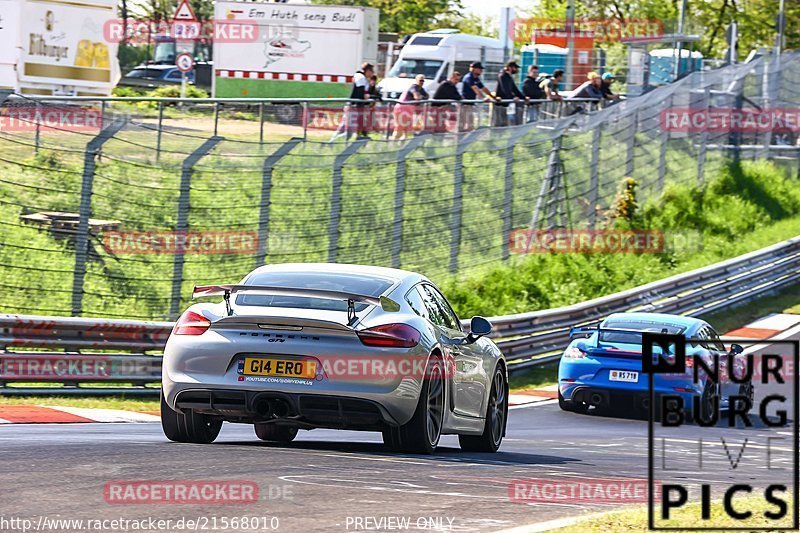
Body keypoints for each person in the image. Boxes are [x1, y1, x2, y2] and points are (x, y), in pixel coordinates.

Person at [330, 62, 373, 141]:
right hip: (353, 107)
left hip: (355, 107)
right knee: (348, 130)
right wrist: (366, 97)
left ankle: (332, 141)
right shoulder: (361, 78)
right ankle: (333, 142)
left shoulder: (364, 79)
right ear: (367, 71)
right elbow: (360, 94)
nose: (372, 73)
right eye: (371, 71)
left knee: (344, 128)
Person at [392, 74, 429, 140]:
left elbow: (427, 96)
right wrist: (421, 97)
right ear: (416, 80)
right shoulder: (414, 87)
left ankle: (401, 147)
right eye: (420, 80)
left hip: (408, 110)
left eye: (423, 81)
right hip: (402, 109)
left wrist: (422, 97)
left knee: (406, 131)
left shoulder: (421, 89)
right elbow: (417, 97)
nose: (422, 82)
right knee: (399, 130)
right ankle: (391, 145)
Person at [461, 62, 495, 130]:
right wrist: (484, 98)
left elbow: (483, 88)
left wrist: (492, 97)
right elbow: (476, 89)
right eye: (479, 69)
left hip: (470, 104)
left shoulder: (476, 78)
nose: (481, 71)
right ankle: (461, 140)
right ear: (474, 69)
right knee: (464, 125)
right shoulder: (469, 78)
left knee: (470, 125)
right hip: (465, 105)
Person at [493, 60, 527, 127]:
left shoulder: (509, 77)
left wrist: (524, 97)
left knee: (506, 123)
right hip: (500, 104)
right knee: (499, 124)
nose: (516, 70)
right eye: (515, 68)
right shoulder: (502, 76)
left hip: (507, 104)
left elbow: (515, 90)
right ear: (510, 67)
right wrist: (513, 97)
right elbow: (505, 90)